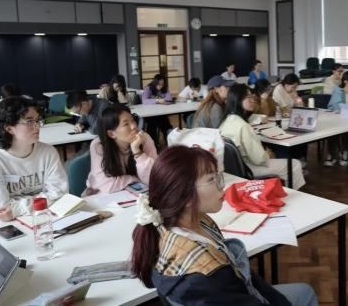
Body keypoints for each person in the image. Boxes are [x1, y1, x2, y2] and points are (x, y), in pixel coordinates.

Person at [130, 146, 318, 306]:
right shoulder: (204, 276)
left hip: (237, 291)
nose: (222, 186)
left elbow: (245, 277)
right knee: (305, 292)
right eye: (211, 179)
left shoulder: (179, 223)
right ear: (184, 196)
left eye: (218, 176)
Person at [0, 97, 68, 221]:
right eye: (29, 121)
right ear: (9, 128)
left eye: (37, 120)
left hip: (44, 219)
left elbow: (60, 195)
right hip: (6, 225)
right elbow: (1, 209)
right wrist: (43, 201)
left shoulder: (48, 152)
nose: (37, 126)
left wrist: (16, 209)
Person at [219, 84, 306, 190]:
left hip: (235, 167)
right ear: (237, 100)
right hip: (249, 167)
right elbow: (259, 159)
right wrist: (267, 154)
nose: (253, 100)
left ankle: (283, 190)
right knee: (294, 164)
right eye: (248, 97)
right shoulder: (243, 126)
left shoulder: (227, 121)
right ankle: (295, 195)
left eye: (252, 96)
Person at [87, 105, 157, 194]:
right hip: (104, 196)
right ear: (111, 134)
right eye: (126, 124)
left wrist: (137, 152)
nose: (134, 126)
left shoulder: (144, 139)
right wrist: (135, 179)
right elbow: (106, 185)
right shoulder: (98, 145)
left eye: (132, 120)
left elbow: (153, 178)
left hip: (137, 195)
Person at [141, 74, 173, 145]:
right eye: (159, 84)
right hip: (149, 114)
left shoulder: (165, 89)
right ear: (154, 83)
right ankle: (153, 144)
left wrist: (165, 101)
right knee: (152, 125)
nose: (160, 86)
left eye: (162, 84)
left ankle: (169, 142)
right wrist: (157, 100)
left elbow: (169, 99)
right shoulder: (148, 88)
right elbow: (144, 100)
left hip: (160, 113)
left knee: (167, 124)